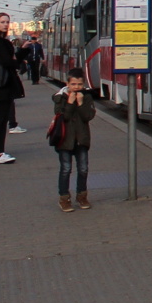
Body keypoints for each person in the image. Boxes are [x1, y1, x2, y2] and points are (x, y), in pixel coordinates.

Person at [53, 67, 96, 212]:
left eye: (79, 84)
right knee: (66, 169)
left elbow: (88, 116)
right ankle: (64, 198)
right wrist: (71, 103)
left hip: (81, 139)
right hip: (64, 140)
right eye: (73, 84)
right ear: (67, 84)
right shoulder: (60, 97)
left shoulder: (86, 97)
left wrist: (81, 103)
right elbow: (63, 116)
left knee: (83, 169)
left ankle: (82, 196)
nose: (76, 87)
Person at [0, 12, 24, 164]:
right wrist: (17, 60)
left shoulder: (0, 41)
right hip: (0, 83)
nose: (5, 24)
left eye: (7, 22)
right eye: (2, 22)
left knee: (1, 119)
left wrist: (19, 55)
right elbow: (7, 62)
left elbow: (10, 60)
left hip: (3, 83)